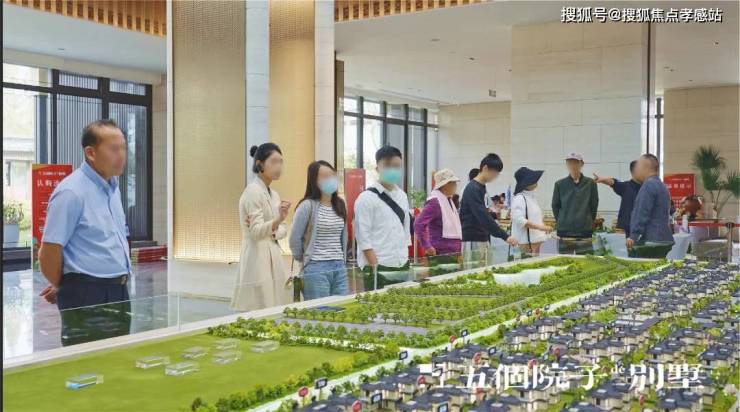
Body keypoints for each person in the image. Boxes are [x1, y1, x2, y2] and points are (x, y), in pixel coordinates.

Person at [38, 119, 132, 346]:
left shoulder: (113, 189)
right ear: (90, 153)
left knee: (117, 357)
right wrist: (66, 285)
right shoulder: (71, 192)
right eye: (114, 149)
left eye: (123, 148)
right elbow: (49, 251)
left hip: (118, 290)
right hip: (87, 294)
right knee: (88, 359)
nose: (121, 155)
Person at [232, 143, 292, 311]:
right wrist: (277, 221)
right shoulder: (253, 192)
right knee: (258, 306)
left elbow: (283, 229)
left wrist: (276, 226)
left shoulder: (274, 194)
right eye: (274, 161)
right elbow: (256, 232)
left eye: (281, 161)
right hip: (257, 254)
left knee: (274, 304)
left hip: (272, 252)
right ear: (260, 164)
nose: (279, 166)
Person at [354, 146, 411, 290]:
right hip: (378, 266)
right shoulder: (366, 198)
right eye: (387, 165)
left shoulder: (402, 196)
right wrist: (375, 267)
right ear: (377, 168)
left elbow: (405, 231)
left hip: (402, 264)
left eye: (396, 166)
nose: (392, 170)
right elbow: (363, 238)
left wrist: (405, 258)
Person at [289, 161, 348, 300]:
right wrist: (304, 259)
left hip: (339, 266)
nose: (331, 179)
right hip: (316, 267)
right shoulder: (307, 206)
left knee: (342, 308)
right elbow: (294, 239)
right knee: (320, 309)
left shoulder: (340, 204)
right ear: (314, 181)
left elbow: (343, 237)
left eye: (332, 175)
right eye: (325, 176)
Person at [459, 153, 517, 268]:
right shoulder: (472, 188)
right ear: (485, 168)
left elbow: (485, 214)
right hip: (473, 238)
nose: (496, 176)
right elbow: (482, 216)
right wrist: (505, 236)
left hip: (482, 236)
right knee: (474, 273)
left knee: (484, 270)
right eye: (495, 172)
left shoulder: (481, 187)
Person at [626, 154, 674, 258]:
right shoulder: (662, 186)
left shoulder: (648, 185)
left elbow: (641, 212)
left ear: (645, 167)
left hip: (650, 240)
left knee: (645, 267)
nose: (635, 169)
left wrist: (633, 236)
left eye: (638, 166)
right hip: (664, 238)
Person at [552, 152, 599, 255]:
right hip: (565, 231)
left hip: (584, 231)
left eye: (576, 162)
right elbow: (555, 205)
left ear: (582, 164)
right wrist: (562, 220)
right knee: (564, 261)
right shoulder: (559, 184)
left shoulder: (590, 183)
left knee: (586, 260)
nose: (572, 165)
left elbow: (594, 205)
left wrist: (588, 220)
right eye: (569, 163)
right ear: (566, 164)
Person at [414, 169, 462, 261]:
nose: (455, 185)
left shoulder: (448, 200)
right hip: (440, 253)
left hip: (453, 253)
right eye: (453, 183)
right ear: (445, 185)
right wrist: (427, 246)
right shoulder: (434, 203)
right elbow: (418, 224)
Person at [593, 160, 641, 237]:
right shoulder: (626, 186)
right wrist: (603, 180)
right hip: (624, 231)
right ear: (634, 172)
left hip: (640, 230)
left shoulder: (647, 188)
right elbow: (613, 182)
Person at [511, 167, 553, 255]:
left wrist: (543, 227)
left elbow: (535, 218)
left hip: (536, 240)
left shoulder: (531, 198)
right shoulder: (519, 198)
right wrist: (541, 227)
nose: (536, 182)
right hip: (526, 242)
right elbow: (520, 220)